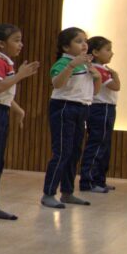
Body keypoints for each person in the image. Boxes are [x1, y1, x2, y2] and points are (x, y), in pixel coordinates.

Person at [0, 22, 39, 222]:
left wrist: (17, 108)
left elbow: (3, 94)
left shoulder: (5, 61)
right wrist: (20, 75)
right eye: (16, 40)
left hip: (0, 111)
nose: (21, 45)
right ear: (1, 44)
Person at [40, 24, 97, 211]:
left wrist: (97, 76)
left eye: (85, 41)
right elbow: (57, 84)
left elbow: (94, 92)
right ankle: (48, 193)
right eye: (79, 41)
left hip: (82, 108)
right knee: (62, 152)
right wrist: (72, 65)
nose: (84, 45)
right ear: (66, 47)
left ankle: (67, 191)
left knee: (74, 152)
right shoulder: (63, 63)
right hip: (64, 107)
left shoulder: (87, 64)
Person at [80, 35, 120, 194]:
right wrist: (116, 76)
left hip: (107, 108)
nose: (112, 53)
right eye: (108, 50)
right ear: (95, 52)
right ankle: (88, 181)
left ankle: (99, 180)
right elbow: (115, 86)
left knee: (104, 145)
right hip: (100, 109)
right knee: (97, 144)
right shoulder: (97, 69)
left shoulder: (102, 69)